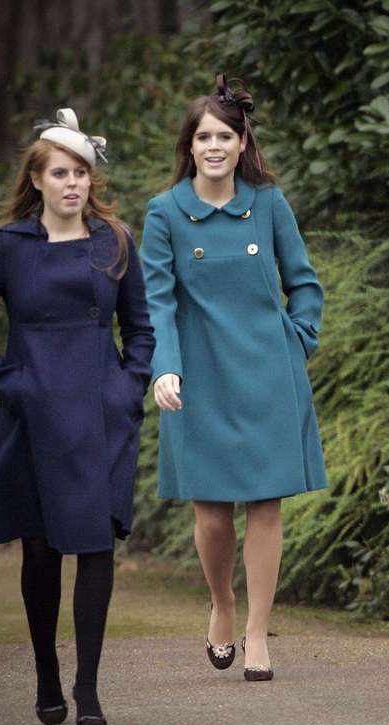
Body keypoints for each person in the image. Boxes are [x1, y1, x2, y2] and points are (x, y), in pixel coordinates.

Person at [0, 109, 154, 725]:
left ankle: (88, 689)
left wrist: (128, 387)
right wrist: (9, 384)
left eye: (81, 173)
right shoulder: (8, 247)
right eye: (60, 173)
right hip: (33, 414)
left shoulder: (113, 241)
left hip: (100, 414)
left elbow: (141, 325)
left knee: (94, 548)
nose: (73, 184)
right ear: (37, 179)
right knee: (39, 553)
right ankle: (46, 674)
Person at [140, 75, 327, 681]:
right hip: (199, 378)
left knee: (266, 507)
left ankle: (256, 633)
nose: (214, 146)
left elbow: (303, 281)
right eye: (203, 137)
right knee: (214, 514)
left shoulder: (267, 204)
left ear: (242, 142)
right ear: (189, 147)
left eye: (225, 135)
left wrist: (296, 341)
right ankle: (222, 603)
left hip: (268, 374)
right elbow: (157, 301)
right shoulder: (165, 213)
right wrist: (164, 365)